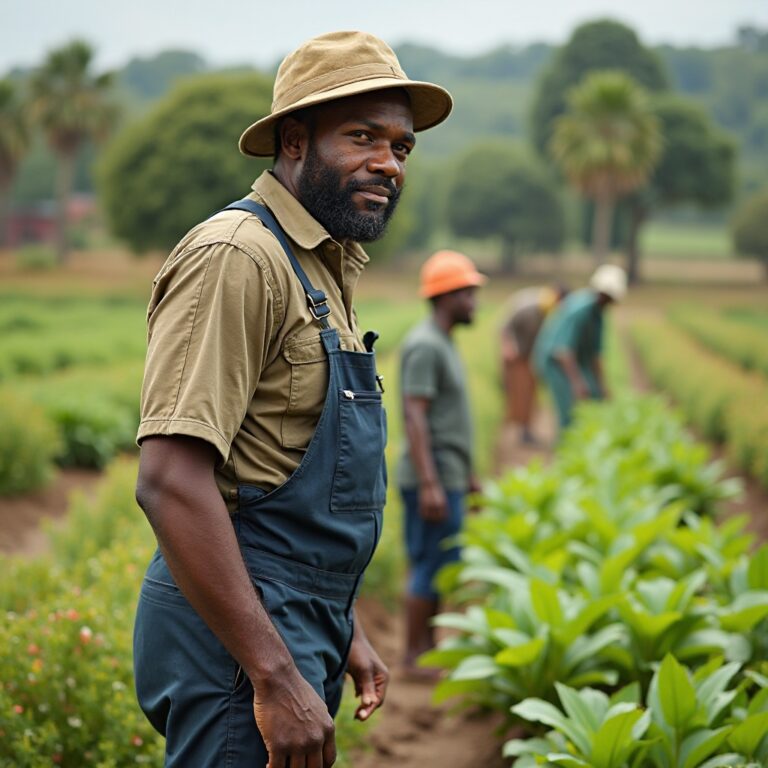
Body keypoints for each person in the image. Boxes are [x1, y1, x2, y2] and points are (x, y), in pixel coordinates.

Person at [132, 31, 453, 768]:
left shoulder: (321, 264)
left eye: (401, 147)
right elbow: (170, 481)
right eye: (363, 137)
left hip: (291, 619)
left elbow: (275, 458)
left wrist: (343, 626)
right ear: (296, 140)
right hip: (239, 642)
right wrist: (274, 677)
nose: (388, 163)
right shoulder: (238, 256)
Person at [397, 250, 484, 678]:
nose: (474, 302)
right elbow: (415, 416)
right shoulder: (425, 346)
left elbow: (448, 419)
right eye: (467, 293)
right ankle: (414, 655)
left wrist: (468, 475)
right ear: (446, 297)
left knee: (440, 565)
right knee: (428, 564)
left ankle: (428, 648)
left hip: (447, 473)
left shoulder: (443, 342)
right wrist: (430, 483)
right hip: (430, 478)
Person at [532, 264, 627, 432]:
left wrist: (602, 387)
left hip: (574, 360)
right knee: (569, 410)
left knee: (594, 394)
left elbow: (595, 355)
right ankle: (565, 442)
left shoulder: (597, 313)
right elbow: (563, 352)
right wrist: (578, 384)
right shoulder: (581, 309)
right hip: (555, 363)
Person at [500, 284, 568, 444]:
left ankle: (527, 430)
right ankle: (521, 430)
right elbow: (505, 329)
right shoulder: (527, 307)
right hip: (516, 355)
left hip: (530, 354)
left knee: (530, 393)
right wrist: (508, 347)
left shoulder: (553, 312)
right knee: (519, 393)